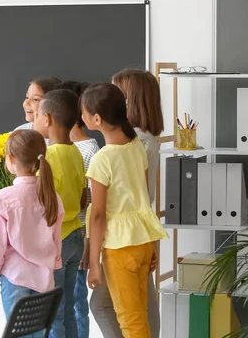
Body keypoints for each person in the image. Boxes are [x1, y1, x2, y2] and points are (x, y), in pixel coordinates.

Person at [81, 83, 168, 338]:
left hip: (120, 248)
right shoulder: (137, 147)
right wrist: (152, 242)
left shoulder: (102, 159)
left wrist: (95, 263)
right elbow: (142, 199)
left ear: (96, 119)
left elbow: (97, 216)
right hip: (141, 242)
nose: (82, 117)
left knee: (131, 323)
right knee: (140, 317)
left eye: (84, 113)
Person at [0, 129, 65, 338]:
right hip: (45, 279)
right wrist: (53, 270)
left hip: (15, 279)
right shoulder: (52, 196)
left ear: (11, 159)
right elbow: (56, 243)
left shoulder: (3, 198)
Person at [34, 89, 86, 338]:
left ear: (47, 119)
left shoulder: (48, 156)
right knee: (68, 311)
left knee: (53, 312)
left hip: (57, 240)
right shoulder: (75, 151)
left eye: (36, 115)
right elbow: (84, 196)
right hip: (76, 235)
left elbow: (37, 198)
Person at [56, 80, 100, 338]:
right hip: (68, 236)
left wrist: (89, 243)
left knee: (75, 303)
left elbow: (93, 202)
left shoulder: (88, 149)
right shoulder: (64, 150)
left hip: (78, 237)